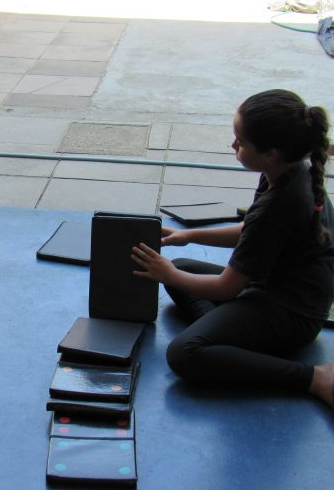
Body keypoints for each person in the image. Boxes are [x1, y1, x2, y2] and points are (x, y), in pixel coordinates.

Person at [131, 89, 334, 410]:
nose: (233, 145)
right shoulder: (290, 169)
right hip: (280, 289)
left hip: (293, 315)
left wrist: (165, 273)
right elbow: (252, 232)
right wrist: (190, 235)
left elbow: (227, 288)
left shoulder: (279, 204)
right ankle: (232, 341)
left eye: (241, 142)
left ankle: (313, 378)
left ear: (270, 154)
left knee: (184, 353)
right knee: (182, 267)